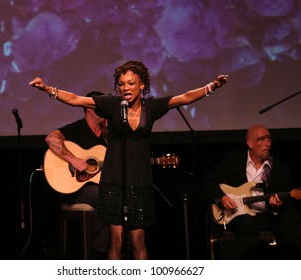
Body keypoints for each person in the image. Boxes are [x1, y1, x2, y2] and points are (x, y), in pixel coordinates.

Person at [30, 60, 228, 259]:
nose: (126, 88)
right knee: (116, 242)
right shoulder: (111, 104)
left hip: (139, 182)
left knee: (137, 242)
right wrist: (47, 89)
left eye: (131, 83)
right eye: (122, 84)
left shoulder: (152, 107)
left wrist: (211, 87)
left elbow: (184, 98)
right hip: (114, 183)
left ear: (142, 85)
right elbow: (75, 99)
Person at [203, 124, 301, 255]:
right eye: (262, 139)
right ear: (250, 143)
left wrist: (277, 207)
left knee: (291, 216)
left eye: (269, 139)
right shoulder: (233, 159)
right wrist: (222, 198)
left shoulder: (279, 167)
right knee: (247, 223)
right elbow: (208, 181)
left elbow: (288, 200)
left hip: (268, 216)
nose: (267, 143)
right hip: (240, 215)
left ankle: (292, 264)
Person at [45, 91, 110, 258]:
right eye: (98, 106)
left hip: (100, 187)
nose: (103, 110)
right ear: (87, 108)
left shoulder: (108, 135)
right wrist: (72, 159)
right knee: (105, 195)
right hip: (75, 189)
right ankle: (99, 253)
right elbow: (51, 138)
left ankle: (107, 251)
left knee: (112, 195)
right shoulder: (77, 129)